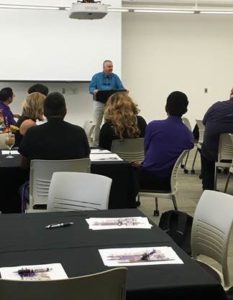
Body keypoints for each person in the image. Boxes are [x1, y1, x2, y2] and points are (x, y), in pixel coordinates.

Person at [138, 91, 194, 190]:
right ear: (185, 110)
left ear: (166, 107)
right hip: (167, 181)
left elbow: (146, 153)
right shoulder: (188, 135)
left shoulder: (153, 126)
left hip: (146, 178)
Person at [19, 92, 90, 168]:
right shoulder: (79, 132)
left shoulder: (32, 133)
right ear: (65, 111)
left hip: (40, 179)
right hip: (71, 179)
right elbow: (86, 160)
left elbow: (24, 165)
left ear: (45, 112)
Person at [201, 88, 233, 190]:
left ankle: (208, 187)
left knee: (204, 150)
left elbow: (204, 122)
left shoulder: (216, 106)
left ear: (231, 93)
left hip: (213, 153)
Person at [89, 60, 125, 146]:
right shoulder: (96, 77)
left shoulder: (115, 77)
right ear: (104, 67)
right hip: (98, 103)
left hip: (111, 104)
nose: (111, 68)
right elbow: (91, 88)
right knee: (96, 123)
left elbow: (121, 88)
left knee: (108, 124)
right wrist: (94, 91)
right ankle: (96, 144)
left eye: (112, 67)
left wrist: (124, 91)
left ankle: (106, 144)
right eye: (109, 67)